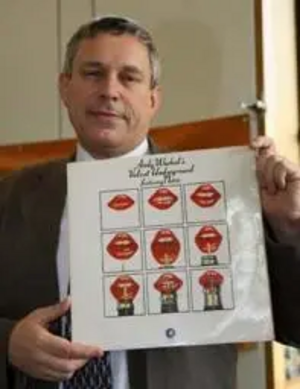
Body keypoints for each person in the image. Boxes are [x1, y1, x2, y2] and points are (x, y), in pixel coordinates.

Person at [0, 15, 300, 389]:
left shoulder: (219, 195)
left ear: (154, 98)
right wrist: (8, 342)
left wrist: (286, 227)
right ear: (65, 87)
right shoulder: (9, 198)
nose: (109, 90)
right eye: (93, 73)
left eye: (129, 77)